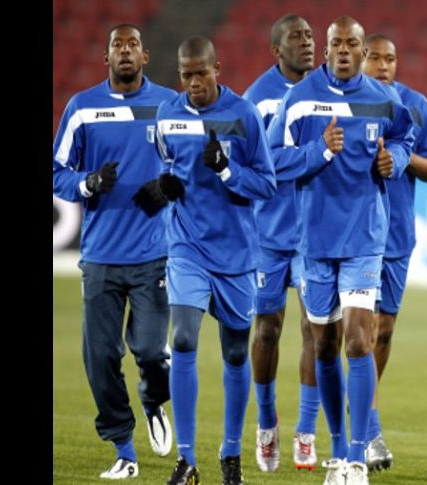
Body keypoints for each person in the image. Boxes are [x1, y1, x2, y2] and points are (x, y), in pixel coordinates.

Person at [266, 16, 414, 485]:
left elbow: (407, 138)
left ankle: (354, 457)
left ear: (363, 52)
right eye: (337, 44)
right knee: (325, 346)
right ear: (327, 49)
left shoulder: (384, 99)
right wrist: (318, 152)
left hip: (366, 240)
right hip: (314, 243)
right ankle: (336, 450)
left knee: (357, 338)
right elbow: (271, 161)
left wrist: (398, 160)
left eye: (353, 44)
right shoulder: (300, 98)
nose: (345, 50)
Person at [52, 23, 176, 480]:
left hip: (154, 255)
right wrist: (85, 184)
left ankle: (153, 400)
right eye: (116, 45)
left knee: (148, 350)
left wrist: (167, 186)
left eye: (133, 45)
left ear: (145, 56)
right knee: (100, 357)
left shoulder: (167, 105)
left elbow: (188, 164)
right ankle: (124, 449)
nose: (125, 51)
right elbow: (56, 170)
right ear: (106, 59)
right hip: (101, 256)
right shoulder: (82, 108)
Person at [154, 36, 276, 485]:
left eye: (200, 73)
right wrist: (165, 186)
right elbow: (166, 168)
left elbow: (267, 184)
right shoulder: (167, 115)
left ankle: (231, 454)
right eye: (185, 75)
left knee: (233, 353)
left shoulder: (243, 115)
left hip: (237, 256)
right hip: (186, 247)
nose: (192, 83)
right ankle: (186, 461)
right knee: (183, 339)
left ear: (217, 68)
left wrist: (226, 169)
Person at [362, 33, 427, 472]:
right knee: (364, 329)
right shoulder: (349, 106)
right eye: (374, 58)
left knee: (385, 330)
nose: (382, 65)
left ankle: (361, 415)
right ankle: (367, 428)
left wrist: (402, 156)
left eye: (389, 59)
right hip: (354, 239)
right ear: (360, 60)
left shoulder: (417, 107)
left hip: (396, 237)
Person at [241, 13, 320, 473]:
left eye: (311, 35)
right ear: (277, 50)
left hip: (313, 235)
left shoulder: (325, 94)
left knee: (314, 329)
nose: (307, 42)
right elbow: (260, 166)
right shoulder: (257, 100)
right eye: (296, 36)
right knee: (267, 329)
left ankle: (306, 432)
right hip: (269, 236)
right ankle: (266, 424)